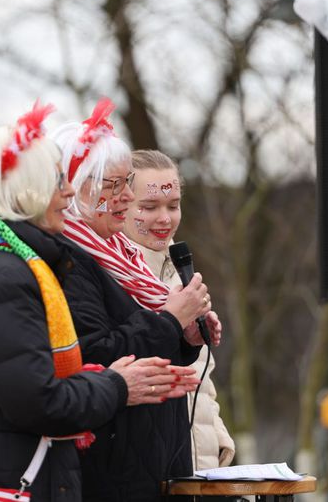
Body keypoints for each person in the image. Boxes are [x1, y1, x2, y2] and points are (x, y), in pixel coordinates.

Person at [0, 102, 200, 502]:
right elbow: (40, 403)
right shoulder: (6, 278)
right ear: (24, 192)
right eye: (57, 182)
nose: (67, 192)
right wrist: (118, 383)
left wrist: (173, 338)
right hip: (9, 480)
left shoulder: (7, 267)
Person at [54, 98, 221, 501]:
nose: (126, 197)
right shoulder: (72, 261)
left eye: (173, 205)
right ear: (78, 188)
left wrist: (185, 339)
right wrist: (169, 320)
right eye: (116, 186)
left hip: (159, 465)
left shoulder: (129, 261)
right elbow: (95, 357)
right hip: (114, 473)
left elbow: (166, 369)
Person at [123, 149, 236, 471]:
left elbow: (202, 376)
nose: (165, 218)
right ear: (120, 204)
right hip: (147, 468)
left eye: (173, 206)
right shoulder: (113, 276)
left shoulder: (181, 272)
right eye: (149, 207)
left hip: (199, 470)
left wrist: (218, 443)